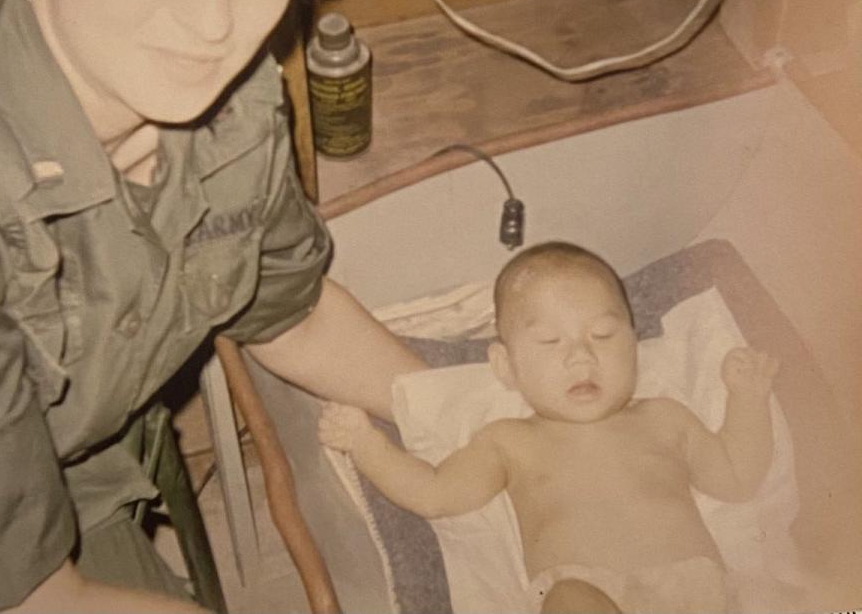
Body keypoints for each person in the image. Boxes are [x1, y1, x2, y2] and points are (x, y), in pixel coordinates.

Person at [0, 0, 428, 611]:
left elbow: (293, 316)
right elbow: (29, 599)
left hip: (63, 469)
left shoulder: (233, 96)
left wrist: (474, 408)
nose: (214, 19)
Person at [319, 241, 780, 613]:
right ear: (505, 366)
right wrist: (368, 447)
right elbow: (435, 493)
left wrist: (748, 400)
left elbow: (738, 477)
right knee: (568, 602)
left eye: (602, 335)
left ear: (634, 347)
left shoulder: (666, 418)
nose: (581, 356)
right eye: (549, 342)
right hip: (587, 591)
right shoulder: (509, 441)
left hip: (694, 589)